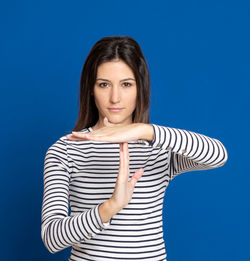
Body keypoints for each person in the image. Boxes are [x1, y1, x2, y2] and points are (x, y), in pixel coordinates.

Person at [41, 36, 228, 261]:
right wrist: (110, 207)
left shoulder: (158, 149)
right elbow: (52, 238)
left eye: (126, 84)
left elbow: (218, 155)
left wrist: (143, 131)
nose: (115, 97)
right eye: (104, 84)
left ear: (140, 88)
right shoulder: (65, 151)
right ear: (90, 89)